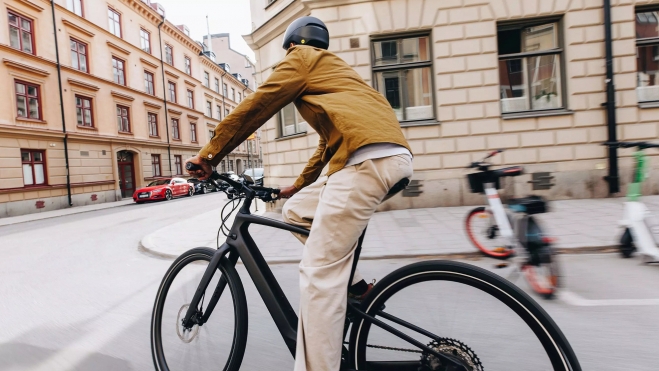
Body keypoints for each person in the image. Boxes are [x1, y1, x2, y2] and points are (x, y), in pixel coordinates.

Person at [185, 16, 413, 371]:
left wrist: (210, 154)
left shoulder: (301, 59)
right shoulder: (337, 71)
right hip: (387, 158)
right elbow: (328, 142)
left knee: (319, 275)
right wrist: (297, 186)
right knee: (297, 210)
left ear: (292, 45)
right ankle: (356, 287)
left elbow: (259, 104)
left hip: (365, 162)